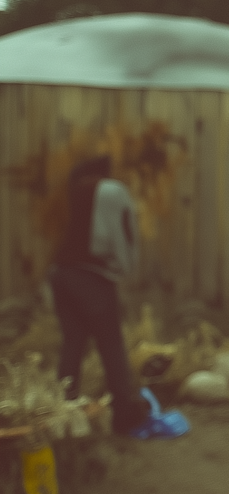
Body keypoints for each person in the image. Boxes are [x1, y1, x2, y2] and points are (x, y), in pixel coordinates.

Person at [49, 155, 151, 436]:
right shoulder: (111, 190)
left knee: (73, 341)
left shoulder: (72, 191)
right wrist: (125, 268)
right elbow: (121, 234)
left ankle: (62, 414)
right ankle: (124, 414)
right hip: (91, 276)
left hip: (60, 273)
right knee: (111, 342)